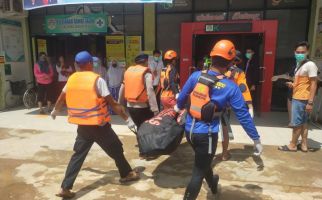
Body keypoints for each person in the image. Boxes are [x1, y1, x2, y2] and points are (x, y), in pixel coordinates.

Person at [174, 40, 263, 200]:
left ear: (212, 57)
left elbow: (181, 98)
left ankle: (213, 183)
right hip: (207, 134)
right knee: (197, 172)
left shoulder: (196, 76)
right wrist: (255, 138)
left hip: (189, 131)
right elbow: (243, 115)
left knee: (204, 161)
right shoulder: (230, 87)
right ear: (231, 62)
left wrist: (176, 108)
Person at [50, 51, 139, 199]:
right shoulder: (97, 80)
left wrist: (55, 111)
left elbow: (60, 99)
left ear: (77, 65)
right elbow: (114, 104)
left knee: (78, 155)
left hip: (83, 126)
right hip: (100, 125)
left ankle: (65, 188)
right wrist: (128, 120)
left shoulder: (71, 79)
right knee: (116, 149)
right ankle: (127, 174)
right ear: (91, 63)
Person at [279, 41, 318, 152]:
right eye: (298, 52)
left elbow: (314, 84)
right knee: (304, 122)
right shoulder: (299, 65)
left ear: (308, 52)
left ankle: (292, 145)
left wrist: (310, 102)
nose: (300, 54)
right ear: (294, 52)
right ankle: (304, 145)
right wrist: (293, 84)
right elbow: (303, 83)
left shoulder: (310, 65)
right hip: (300, 96)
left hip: (301, 99)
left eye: (302, 52)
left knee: (296, 123)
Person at [220, 50, 254, 161]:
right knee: (225, 128)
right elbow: (243, 88)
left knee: (211, 127)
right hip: (225, 105)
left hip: (212, 103)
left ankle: (207, 152)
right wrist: (249, 105)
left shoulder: (217, 68)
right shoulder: (238, 72)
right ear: (237, 60)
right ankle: (224, 154)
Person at [119, 54, 159, 131]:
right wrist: (155, 109)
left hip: (130, 106)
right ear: (146, 61)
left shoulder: (128, 71)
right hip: (143, 107)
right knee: (147, 130)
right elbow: (150, 90)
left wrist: (120, 104)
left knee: (139, 128)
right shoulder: (146, 73)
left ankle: (140, 141)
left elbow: (122, 87)